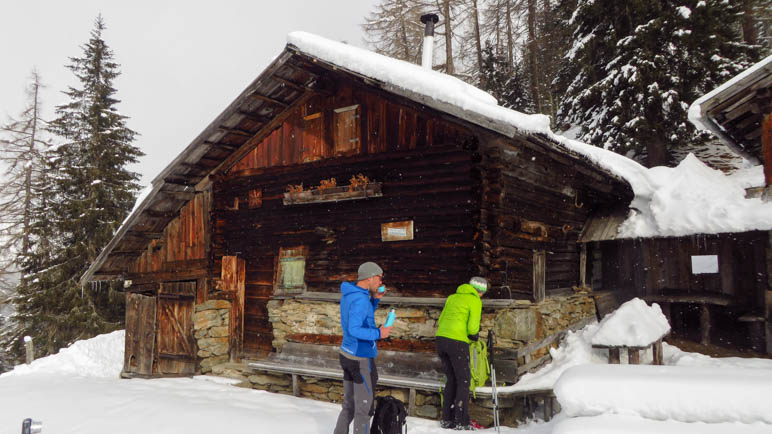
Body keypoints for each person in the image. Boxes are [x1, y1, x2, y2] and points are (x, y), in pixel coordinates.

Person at [334, 261, 393, 434]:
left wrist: (375, 300)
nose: (381, 282)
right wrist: (378, 334)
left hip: (347, 354)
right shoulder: (360, 299)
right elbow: (354, 329)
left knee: (349, 406)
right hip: (360, 358)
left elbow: (363, 317)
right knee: (364, 409)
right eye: (380, 278)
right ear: (370, 277)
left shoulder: (352, 294)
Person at [435, 276, 488, 430]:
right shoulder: (475, 301)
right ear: (481, 292)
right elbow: (472, 328)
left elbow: (441, 319)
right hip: (457, 342)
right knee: (464, 381)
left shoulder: (452, 297)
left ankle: (447, 419)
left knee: (451, 379)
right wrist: (474, 335)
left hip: (441, 340)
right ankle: (461, 421)